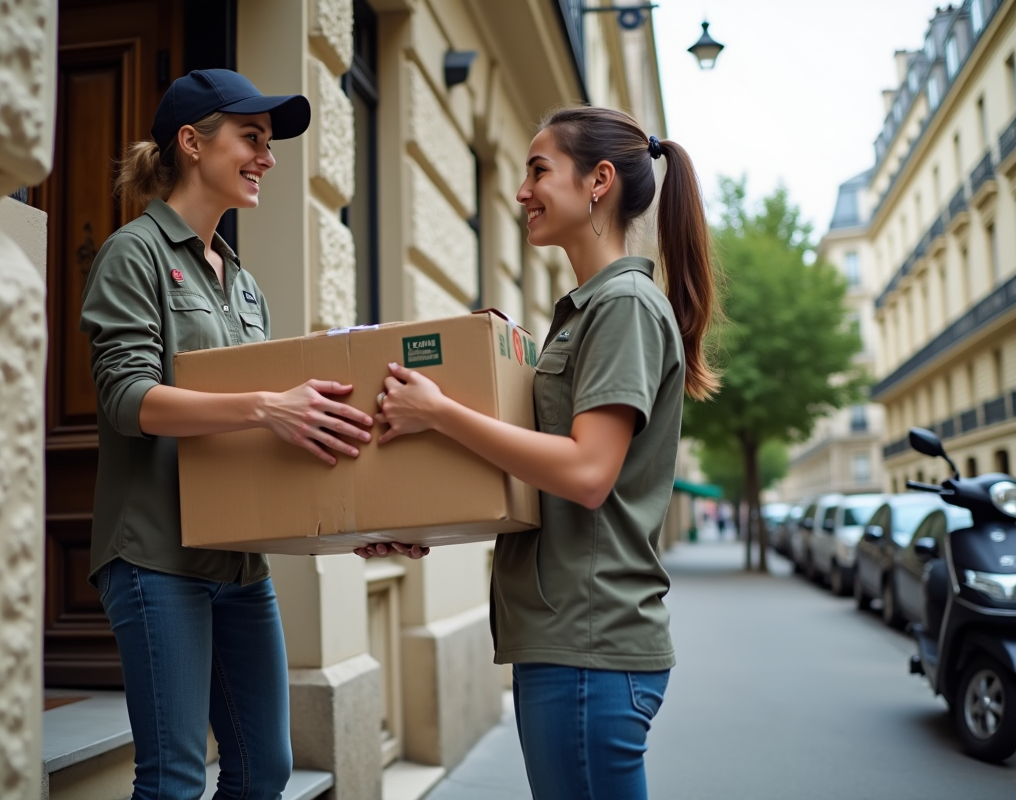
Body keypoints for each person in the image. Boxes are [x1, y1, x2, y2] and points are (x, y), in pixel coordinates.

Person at [357, 106, 720, 799]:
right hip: (569, 641)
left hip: (589, 644)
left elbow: (585, 474)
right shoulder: (590, 308)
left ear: (599, 181)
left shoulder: (623, 307)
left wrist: (439, 412)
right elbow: (536, 479)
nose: (522, 191)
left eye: (538, 170)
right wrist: (419, 527)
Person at [79, 69, 375, 800]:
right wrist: (268, 406)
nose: (267, 157)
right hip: (155, 556)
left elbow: (272, 437)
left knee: (263, 768)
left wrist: (358, 523)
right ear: (191, 142)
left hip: (237, 567)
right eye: (252, 137)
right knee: (175, 779)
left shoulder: (242, 283)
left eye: (268, 143)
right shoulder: (134, 254)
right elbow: (126, 400)